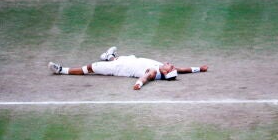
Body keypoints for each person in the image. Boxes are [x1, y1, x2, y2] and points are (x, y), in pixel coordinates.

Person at [48, 46, 208, 90]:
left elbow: (144, 78)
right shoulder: (164, 69)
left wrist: (138, 84)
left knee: (90, 68)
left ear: (165, 72)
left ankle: (61, 70)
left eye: (170, 66)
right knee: (115, 58)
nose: (170, 63)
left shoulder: (153, 72)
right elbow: (183, 70)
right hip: (128, 60)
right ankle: (109, 56)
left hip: (119, 68)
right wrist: (199, 68)